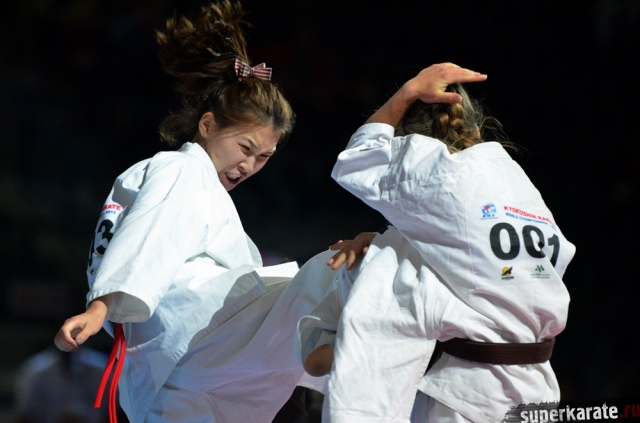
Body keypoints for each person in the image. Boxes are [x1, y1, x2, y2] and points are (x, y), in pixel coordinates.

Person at [53, 2, 331, 422]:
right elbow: (149, 236)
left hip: (171, 371)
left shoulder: (169, 176)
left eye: (264, 157)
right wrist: (101, 307)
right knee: (338, 271)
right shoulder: (182, 169)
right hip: (203, 332)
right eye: (245, 147)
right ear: (207, 125)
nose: (249, 165)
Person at [308, 63, 575, 423]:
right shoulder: (519, 185)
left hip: (470, 396)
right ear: (479, 130)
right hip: (536, 392)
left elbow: (358, 159)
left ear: (410, 142)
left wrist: (408, 92)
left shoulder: (437, 172)